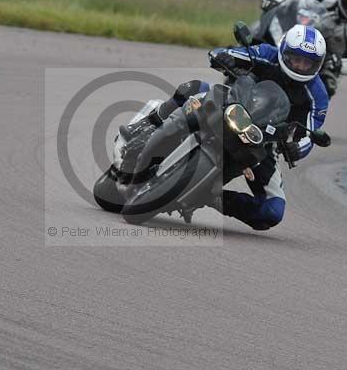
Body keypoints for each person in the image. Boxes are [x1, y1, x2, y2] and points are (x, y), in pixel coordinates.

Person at [123, 25, 328, 231]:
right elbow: (228, 53)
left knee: (272, 211)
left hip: (264, 139)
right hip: (232, 105)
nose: (300, 66)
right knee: (196, 88)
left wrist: (297, 148)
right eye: (295, 58)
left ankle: (211, 197)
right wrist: (224, 58)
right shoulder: (267, 54)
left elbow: (311, 134)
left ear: (317, 65)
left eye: (307, 62)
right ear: (284, 51)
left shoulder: (317, 96)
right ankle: (147, 125)